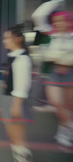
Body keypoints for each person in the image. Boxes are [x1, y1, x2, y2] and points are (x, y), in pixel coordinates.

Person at [1, 24, 33, 162]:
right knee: (14, 140)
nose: (4, 41)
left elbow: (22, 86)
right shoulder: (13, 57)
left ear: (18, 39)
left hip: (16, 102)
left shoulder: (22, 59)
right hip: (9, 100)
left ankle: (24, 158)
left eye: (7, 38)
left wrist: (16, 106)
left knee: (18, 141)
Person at [43, 11, 73, 147]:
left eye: (62, 20)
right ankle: (70, 126)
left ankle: (63, 135)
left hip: (70, 73)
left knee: (69, 106)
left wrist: (62, 58)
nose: (58, 23)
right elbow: (45, 55)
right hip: (54, 73)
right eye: (56, 21)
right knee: (55, 102)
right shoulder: (50, 37)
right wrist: (62, 57)